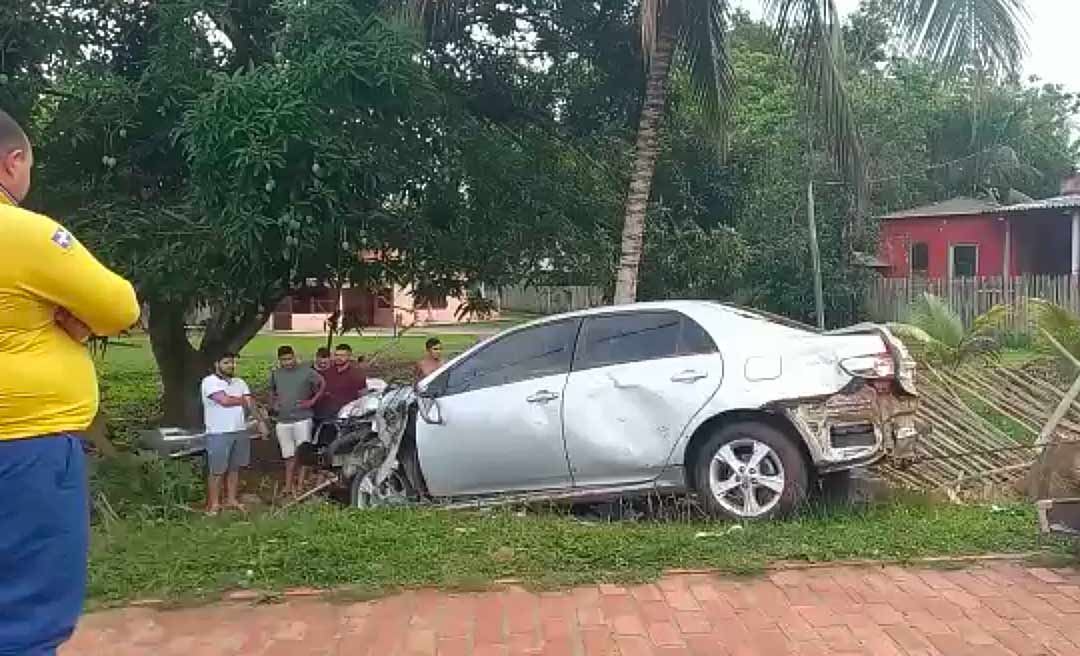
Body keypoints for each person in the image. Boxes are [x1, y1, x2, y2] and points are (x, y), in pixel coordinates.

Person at [0, 109, 140, 655]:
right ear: (12, 163)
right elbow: (118, 305)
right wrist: (71, 317)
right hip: (25, 448)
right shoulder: (27, 234)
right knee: (25, 616)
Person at [201, 352, 254, 515]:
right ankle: (214, 504)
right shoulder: (209, 381)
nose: (231, 365)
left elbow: (250, 404)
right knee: (217, 470)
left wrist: (261, 422)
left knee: (234, 468)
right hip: (218, 432)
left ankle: (231, 499)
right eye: (226, 363)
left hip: (240, 429)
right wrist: (242, 400)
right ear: (217, 364)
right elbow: (223, 401)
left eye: (232, 362)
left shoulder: (239, 382)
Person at [270, 345, 325, 496]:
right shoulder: (276, 374)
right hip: (283, 420)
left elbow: (322, 384)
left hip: (302, 418)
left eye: (289, 359)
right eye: (283, 360)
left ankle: (300, 485)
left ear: (294, 356)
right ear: (279, 360)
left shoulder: (307, 371)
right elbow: (273, 392)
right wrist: (274, 404)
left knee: (303, 453)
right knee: (288, 455)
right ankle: (288, 486)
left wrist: (312, 401)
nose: (287, 362)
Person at [314, 343, 368, 419]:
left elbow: (363, 396)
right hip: (323, 413)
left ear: (349, 356)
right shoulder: (327, 371)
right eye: (336, 355)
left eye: (342, 355)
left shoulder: (356, 374)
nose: (338, 358)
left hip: (344, 415)